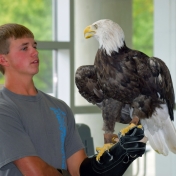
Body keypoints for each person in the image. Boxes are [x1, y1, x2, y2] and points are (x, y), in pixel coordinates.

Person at [0, 23, 146, 176]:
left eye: (34, 46)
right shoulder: (3, 109)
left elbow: (78, 170)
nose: (34, 52)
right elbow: (36, 173)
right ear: (3, 60)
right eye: (25, 48)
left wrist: (117, 157)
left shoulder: (59, 107)